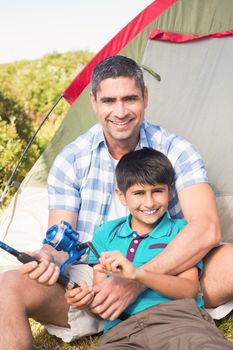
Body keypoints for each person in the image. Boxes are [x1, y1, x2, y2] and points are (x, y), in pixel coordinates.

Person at [0, 55, 232, 349]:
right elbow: (60, 243)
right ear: (94, 101)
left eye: (130, 98)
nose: (120, 111)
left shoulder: (177, 150)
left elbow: (207, 228)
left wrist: (136, 280)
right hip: (90, 284)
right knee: (8, 285)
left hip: (167, 270)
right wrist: (48, 256)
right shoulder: (71, 159)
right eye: (109, 100)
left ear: (145, 97)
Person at [65, 148, 233, 349]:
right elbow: (102, 307)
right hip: (122, 332)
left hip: (180, 321)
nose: (149, 202)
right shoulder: (105, 234)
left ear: (170, 191)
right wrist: (85, 301)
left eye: (157, 191)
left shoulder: (182, 233)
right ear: (121, 196)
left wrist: (138, 274)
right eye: (138, 193)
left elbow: (188, 290)